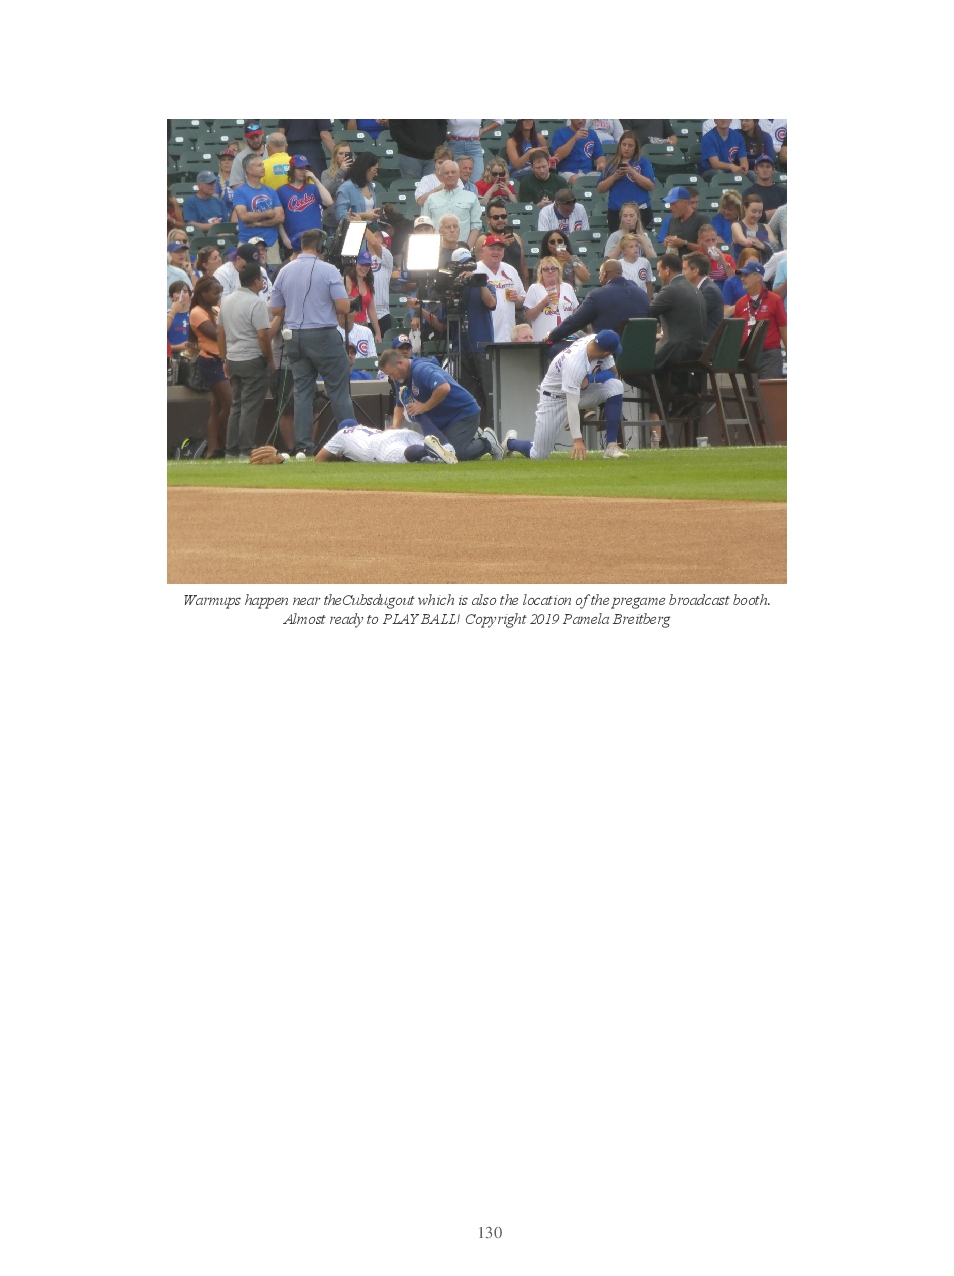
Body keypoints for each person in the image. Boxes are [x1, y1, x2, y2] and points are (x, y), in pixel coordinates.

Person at [267, 227, 355, 458]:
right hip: (323, 335)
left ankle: (304, 446)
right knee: (338, 390)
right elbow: (343, 307)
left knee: (302, 392)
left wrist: (297, 306)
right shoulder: (329, 270)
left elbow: (275, 309)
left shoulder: (285, 270)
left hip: (294, 337)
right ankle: (352, 443)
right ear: (321, 246)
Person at [502, 330, 626, 461]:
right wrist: (577, 440)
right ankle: (510, 443)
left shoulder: (597, 341)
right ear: (607, 352)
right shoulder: (575, 363)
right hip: (554, 398)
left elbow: (613, 373)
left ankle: (611, 446)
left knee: (616, 386)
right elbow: (572, 405)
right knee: (538, 454)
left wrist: (590, 378)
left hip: (581, 392)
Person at [624, 253, 707, 446]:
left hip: (677, 349)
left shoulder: (671, 290)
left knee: (630, 369)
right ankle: (681, 393)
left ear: (667, 270)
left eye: (659, 270)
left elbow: (645, 313)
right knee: (656, 373)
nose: (658, 275)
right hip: (695, 349)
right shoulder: (693, 288)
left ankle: (680, 394)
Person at [377, 350, 503, 461]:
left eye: (392, 373)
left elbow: (443, 387)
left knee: (454, 454)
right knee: (439, 452)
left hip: (463, 413)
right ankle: (473, 436)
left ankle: (488, 442)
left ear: (400, 363)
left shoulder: (421, 370)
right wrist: (396, 427)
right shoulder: (400, 378)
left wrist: (424, 407)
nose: (392, 377)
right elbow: (400, 405)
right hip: (445, 420)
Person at [217, 262, 275, 458]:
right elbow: (262, 335)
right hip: (252, 359)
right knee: (249, 406)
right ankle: (245, 449)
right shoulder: (257, 303)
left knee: (237, 405)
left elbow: (220, 332)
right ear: (256, 281)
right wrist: (270, 359)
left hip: (233, 358)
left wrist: (224, 358)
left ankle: (231, 450)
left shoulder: (227, 300)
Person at [251, 422, 459, 466]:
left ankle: (426, 449)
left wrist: (340, 458)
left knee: (400, 457)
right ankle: (442, 449)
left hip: (380, 444)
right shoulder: (363, 427)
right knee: (437, 457)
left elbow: (319, 460)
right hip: (397, 433)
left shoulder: (343, 433)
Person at [548, 259, 649, 346]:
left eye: (600, 274)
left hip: (607, 354)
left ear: (604, 274)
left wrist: (551, 336)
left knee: (556, 349)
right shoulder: (643, 295)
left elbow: (574, 322)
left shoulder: (598, 295)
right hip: (640, 354)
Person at [189, 277, 231, 458]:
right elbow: (216, 334)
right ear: (203, 293)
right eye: (215, 293)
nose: (219, 296)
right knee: (230, 403)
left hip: (222, 360)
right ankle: (222, 444)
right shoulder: (196, 312)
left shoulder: (215, 309)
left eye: (220, 292)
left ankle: (212, 449)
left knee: (216, 408)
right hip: (210, 362)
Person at [732, 261, 786, 378]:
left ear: (758, 277)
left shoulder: (775, 300)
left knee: (768, 388)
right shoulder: (740, 303)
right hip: (746, 356)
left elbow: (784, 329)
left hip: (769, 356)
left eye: (746, 275)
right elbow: (737, 332)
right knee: (749, 389)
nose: (742, 278)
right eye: (742, 275)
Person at [472, 234, 526, 343]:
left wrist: (516, 299)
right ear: (482, 251)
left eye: (499, 249)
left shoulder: (510, 270)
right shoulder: (475, 270)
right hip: (485, 335)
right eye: (492, 249)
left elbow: (523, 301)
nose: (496, 252)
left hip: (508, 334)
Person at [596, 131, 655, 231]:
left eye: (630, 146)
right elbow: (600, 188)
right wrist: (614, 177)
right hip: (617, 211)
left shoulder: (643, 162)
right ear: (619, 146)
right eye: (624, 145)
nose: (626, 148)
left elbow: (651, 186)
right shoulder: (611, 164)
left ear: (636, 147)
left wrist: (632, 172)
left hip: (640, 210)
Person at [233, 158, 284, 266]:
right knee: (245, 273)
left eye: (263, 165)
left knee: (273, 272)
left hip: (270, 242)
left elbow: (280, 217)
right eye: (259, 165)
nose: (263, 167)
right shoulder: (240, 192)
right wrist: (266, 214)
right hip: (247, 242)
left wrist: (259, 223)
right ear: (249, 170)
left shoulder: (271, 191)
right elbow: (243, 216)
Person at [277, 156, 333, 253]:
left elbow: (329, 201)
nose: (303, 171)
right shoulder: (282, 191)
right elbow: (279, 220)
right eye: (299, 168)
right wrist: (285, 240)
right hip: (294, 241)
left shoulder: (313, 188)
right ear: (292, 170)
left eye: (305, 168)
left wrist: (316, 180)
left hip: (315, 241)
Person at [422, 162, 483, 248]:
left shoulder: (471, 197)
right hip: (437, 249)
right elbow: (426, 227)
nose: (450, 175)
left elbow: (475, 226)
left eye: (453, 172)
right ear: (441, 176)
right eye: (446, 173)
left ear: (458, 174)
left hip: (462, 249)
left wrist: (467, 248)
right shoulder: (431, 199)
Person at [523, 258, 579, 342]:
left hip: (566, 338)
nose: (550, 271)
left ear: (559, 271)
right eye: (546, 269)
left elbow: (575, 313)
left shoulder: (568, 288)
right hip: (543, 338)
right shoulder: (534, 288)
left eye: (554, 268)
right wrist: (543, 303)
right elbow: (529, 317)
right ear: (541, 273)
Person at [483, 200, 527, 284]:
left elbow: (523, 267)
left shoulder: (516, 237)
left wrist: (525, 287)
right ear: (488, 220)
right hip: (495, 285)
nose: (500, 220)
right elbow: (482, 268)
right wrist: (500, 245)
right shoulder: (484, 239)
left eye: (503, 216)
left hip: (516, 285)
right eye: (496, 217)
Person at [343, 248, 382, 342]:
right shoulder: (346, 281)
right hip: (348, 326)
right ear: (355, 263)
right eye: (362, 264)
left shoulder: (368, 283)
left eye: (367, 265)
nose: (364, 268)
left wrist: (378, 332)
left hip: (363, 326)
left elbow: (371, 310)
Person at [682, 252, 723, 341]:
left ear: (695, 271)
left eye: (685, 269)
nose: (683, 273)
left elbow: (690, 315)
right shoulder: (699, 288)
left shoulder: (709, 290)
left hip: (707, 344)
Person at [659, 187, 708, 259]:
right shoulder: (672, 220)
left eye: (673, 204)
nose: (670, 207)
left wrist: (684, 244)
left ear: (685, 203)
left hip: (695, 263)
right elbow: (667, 243)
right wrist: (667, 243)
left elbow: (708, 249)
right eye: (670, 204)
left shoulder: (701, 219)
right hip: (676, 264)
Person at [364, 222, 394, 337]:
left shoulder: (387, 257)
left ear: (385, 245)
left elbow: (374, 243)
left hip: (382, 314)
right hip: (364, 315)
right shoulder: (361, 259)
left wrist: (361, 224)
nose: (372, 238)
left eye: (377, 236)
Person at [335, 152, 382, 224]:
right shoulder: (346, 187)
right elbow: (340, 215)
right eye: (375, 170)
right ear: (366, 168)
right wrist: (364, 215)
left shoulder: (370, 186)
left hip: (370, 227)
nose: (376, 174)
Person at [320, 140, 355, 230]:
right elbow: (326, 191)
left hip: (352, 218)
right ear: (335, 156)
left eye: (347, 154)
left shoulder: (355, 174)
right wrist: (341, 172)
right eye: (340, 153)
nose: (344, 156)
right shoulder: (326, 173)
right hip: (331, 221)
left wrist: (356, 169)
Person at [731, 193, 777, 261]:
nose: (757, 215)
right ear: (745, 208)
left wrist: (762, 245)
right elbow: (746, 243)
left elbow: (776, 247)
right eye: (754, 211)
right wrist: (763, 245)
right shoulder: (736, 225)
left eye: (760, 212)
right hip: (744, 265)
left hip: (765, 265)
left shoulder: (766, 226)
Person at [721, 246, 761, 316]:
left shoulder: (760, 281)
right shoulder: (731, 282)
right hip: (739, 319)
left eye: (756, 264)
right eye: (749, 264)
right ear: (742, 264)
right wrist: (744, 304)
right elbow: (725, 313)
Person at [745, 154, 786, 222]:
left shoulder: (783, 192)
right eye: (761, 166)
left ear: (773, 170)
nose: (764, 170)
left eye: (768, 167)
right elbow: (748, 216)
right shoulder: (749, 193)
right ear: (756, 169)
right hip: (757, 227)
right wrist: (778, 211)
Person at [695, 222, 735, 288]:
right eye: (707, 241)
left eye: (713, 240)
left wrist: (724, 263)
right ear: (699, 242)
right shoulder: (694, 259)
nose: (711, 244)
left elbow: (734, 281)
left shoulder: (727, 257)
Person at [229, 122, 267, 188]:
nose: (255, 140)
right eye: (251, 138)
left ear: (262, 133)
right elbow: (236, 186)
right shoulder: (240, 158)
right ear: (246, 136)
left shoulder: (272, 151)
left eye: (257, 136)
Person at [167, 281, 191, 353]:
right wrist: (177, 347)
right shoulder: (167, 315)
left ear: (189, 295)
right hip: (171, 356)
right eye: (178, 292)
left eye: (185, 291)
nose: (182, 294)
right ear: (171, 297)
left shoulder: (196, 314)